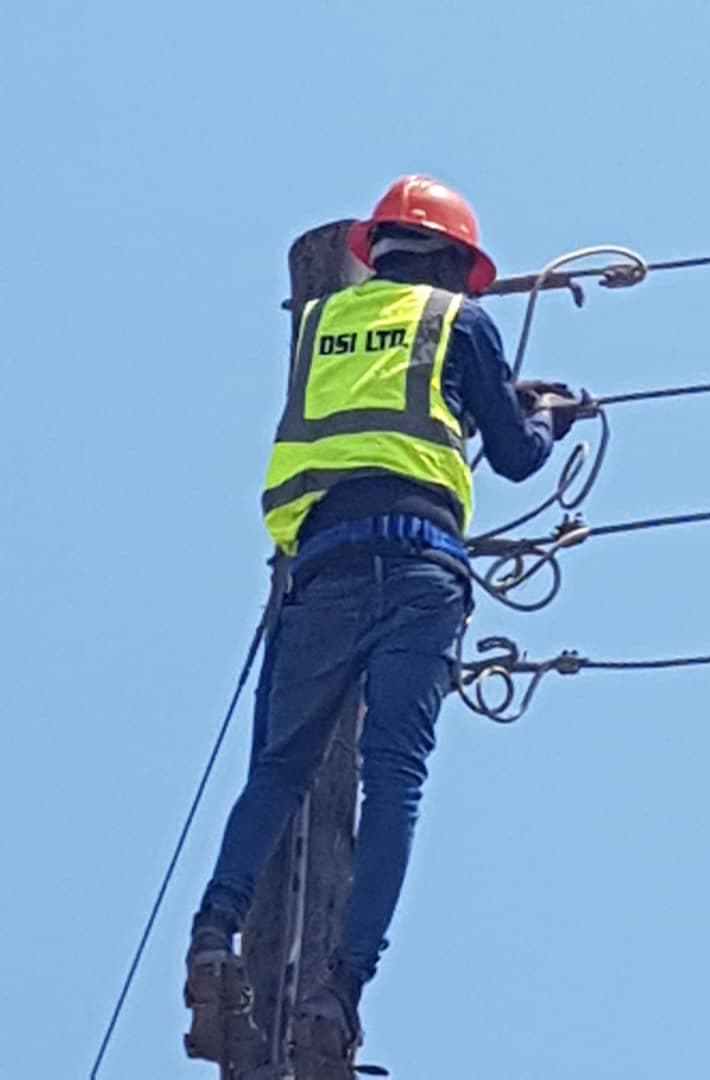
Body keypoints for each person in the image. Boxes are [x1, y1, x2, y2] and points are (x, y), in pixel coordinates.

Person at [186, 175, 576, 1066]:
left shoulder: (320, 321)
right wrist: (543, 415)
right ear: (450, 260)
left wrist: (490, 394)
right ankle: (338, 993)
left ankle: (211, 938)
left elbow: (381, 404)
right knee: (392, 779)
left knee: (278, 770)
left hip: (321, 568)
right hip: (417, 569)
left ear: (381, 250)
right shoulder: (459, 321)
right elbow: (515, 458)